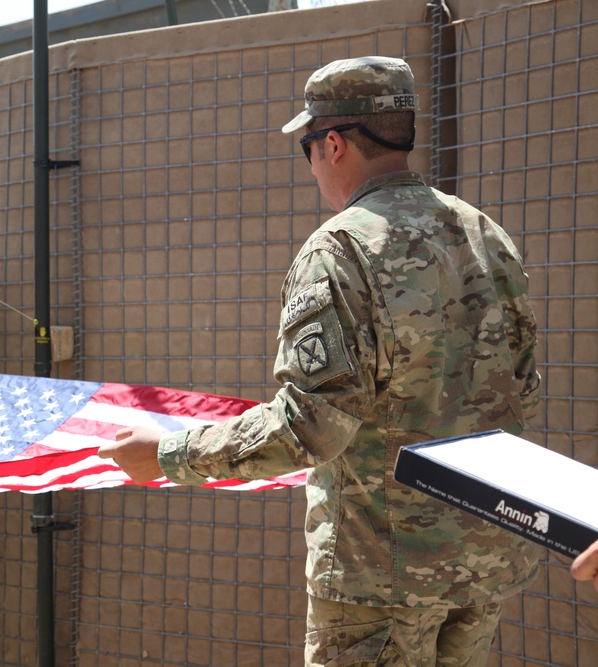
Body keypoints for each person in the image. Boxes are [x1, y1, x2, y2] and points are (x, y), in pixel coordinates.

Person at [98, 56, 542, 666]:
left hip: (380, 576)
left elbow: (311, 427)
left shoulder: (341, 249)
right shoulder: (484, 233)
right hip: (485, 556)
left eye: (306, 147)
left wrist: (167, 454)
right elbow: (524, 390)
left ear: (332, 143)